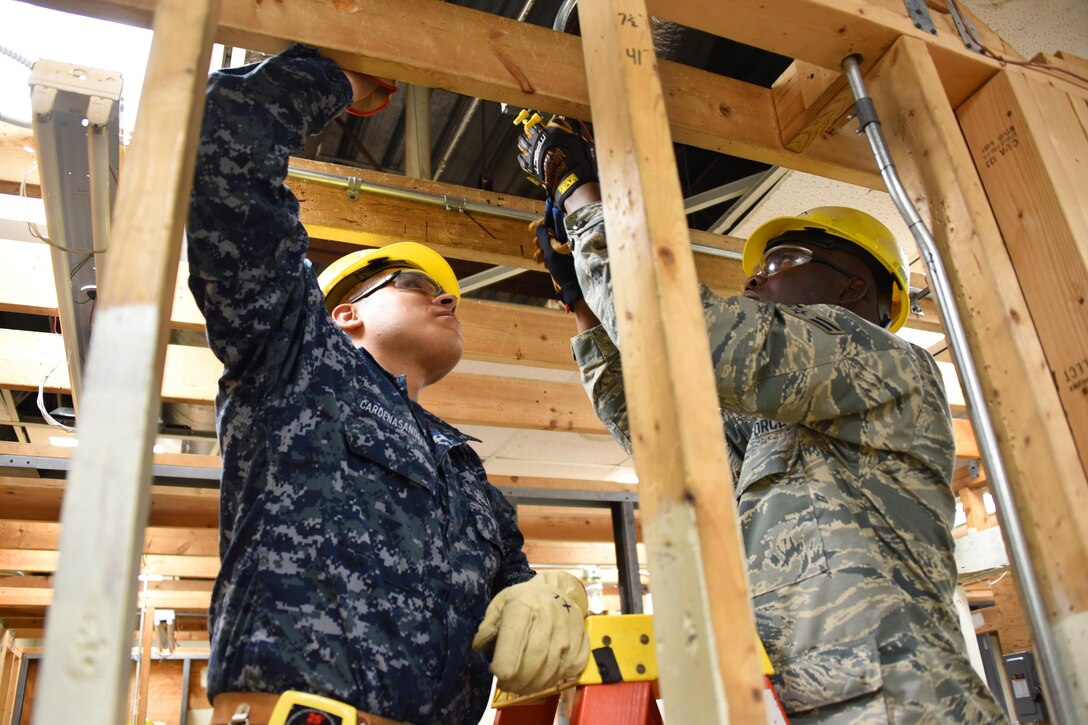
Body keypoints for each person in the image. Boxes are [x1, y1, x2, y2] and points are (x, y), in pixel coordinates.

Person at [515, 118, 1006, 723]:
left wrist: (584, 199)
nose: (752, 278)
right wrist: (584, 310)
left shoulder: (880, 358)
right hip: (816, 700)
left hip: (903, 704)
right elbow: (662, 436)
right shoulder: (778, 428)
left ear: (855, 288)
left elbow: (681, 335)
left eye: (781, 261)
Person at [186, 45, 588, 725]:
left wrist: (549, 598)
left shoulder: (466, 476)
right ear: (344, 313)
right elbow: (227, 135)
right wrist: (339, 74)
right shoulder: (295, 357)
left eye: (451, 293)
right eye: (418, 285)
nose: (447, 300)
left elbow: (510, 604)